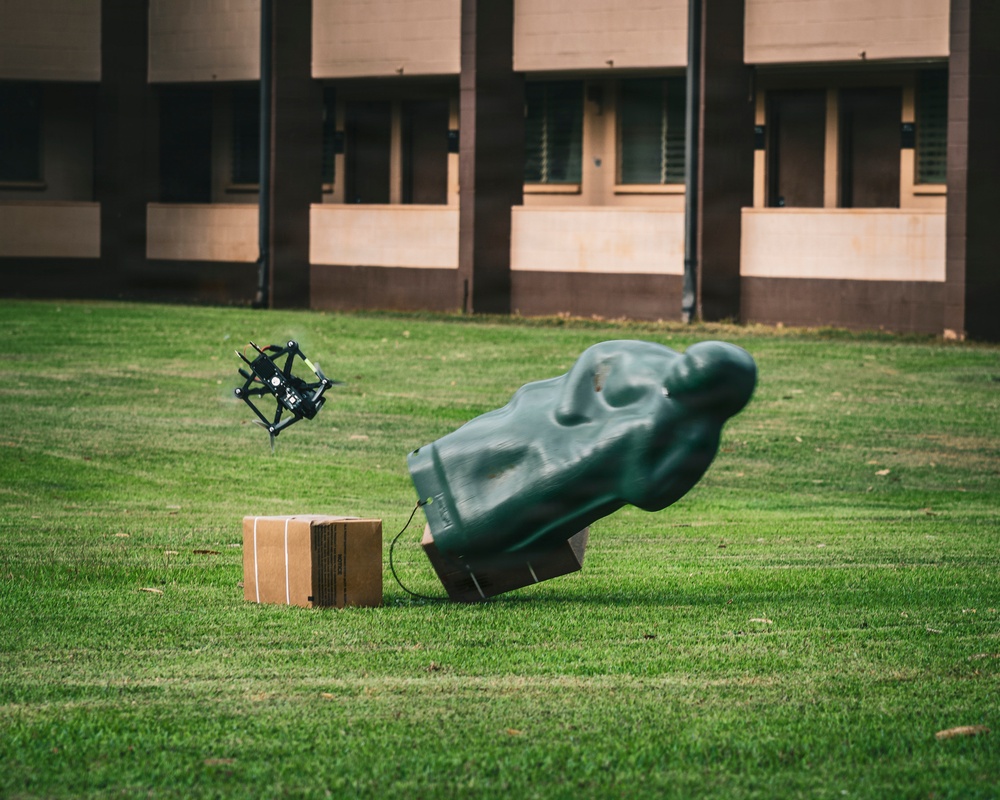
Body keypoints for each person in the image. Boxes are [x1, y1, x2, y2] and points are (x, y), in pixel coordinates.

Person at [408, 339, 756, 563]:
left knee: (522, 486)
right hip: (557, 419)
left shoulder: (696, 432)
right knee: (500, 443)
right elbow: (597, 358)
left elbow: (650, 491)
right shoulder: (667, 384)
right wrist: (571, 408)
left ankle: (461, 532)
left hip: (578, 463)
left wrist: (627, 450)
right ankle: (445, 489)